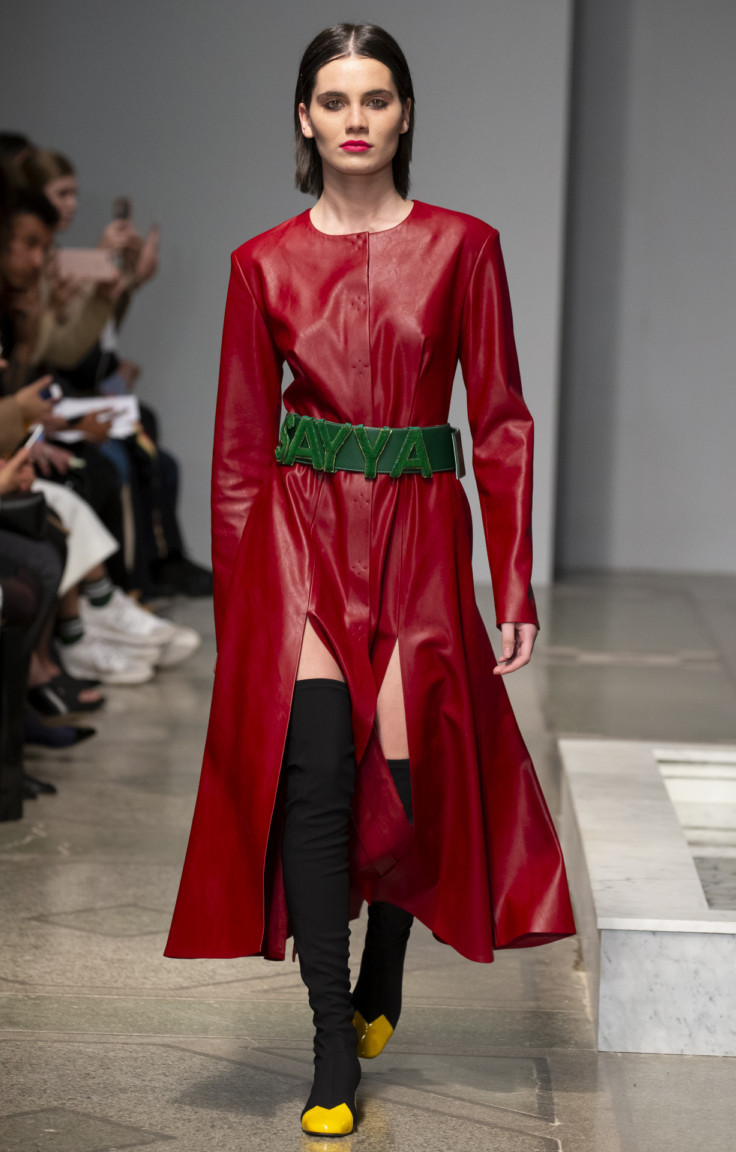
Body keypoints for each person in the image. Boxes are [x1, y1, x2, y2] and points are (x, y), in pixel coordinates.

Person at [165, 23, 575, 1138]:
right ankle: (331, 1042)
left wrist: (514, 582)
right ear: (303, 118)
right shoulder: (260, 264)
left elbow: (501, 422)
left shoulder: (465, 248)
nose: (356, 118)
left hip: (420, 537)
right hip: (299, 539)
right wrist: (242, 611)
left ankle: (384, 963)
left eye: (377, 98)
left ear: (404, 116)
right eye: (336, 99)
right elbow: (239, 452)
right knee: (315, 780)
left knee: (406, 774)